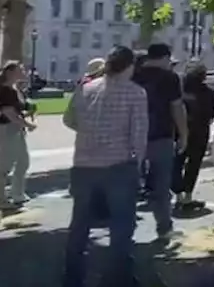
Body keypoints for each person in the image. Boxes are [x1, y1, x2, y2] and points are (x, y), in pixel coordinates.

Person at [62, 46, 149, 287]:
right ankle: (119, 277)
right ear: (130, 66)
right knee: (121, 225)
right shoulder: (135, 93)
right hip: (119, 165)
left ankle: (72, 276)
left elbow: (68, 119)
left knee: (80, 224)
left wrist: (90, 132)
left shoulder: (86, 88)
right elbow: (138, 135)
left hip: (83, 164)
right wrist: (139, 167)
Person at [131, 43, 188, 241]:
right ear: (165, 57)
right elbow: (177, 108)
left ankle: (124, 228)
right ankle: (164, 228)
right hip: (162, 135)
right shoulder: (170, 78)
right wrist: (184, 134)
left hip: (133, 136)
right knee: (161, 187)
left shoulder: (134, 75)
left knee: (129, 184)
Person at [174, 63, 214, 211]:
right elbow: (213, 115)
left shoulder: (179, 91)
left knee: (177, 162)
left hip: (180, 131)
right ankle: (188, 195)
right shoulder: (209, 93)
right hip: (200, 132)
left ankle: (178, 194)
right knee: (194, 164)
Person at [0, 61, 37, 209]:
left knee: (23, 161)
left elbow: (16, 111)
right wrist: (27, 124)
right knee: (5, 164)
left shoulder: (15, 90)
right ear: (10, 73)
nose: (23, 73)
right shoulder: (6, 90)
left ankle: (17, 193)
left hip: (16, 129)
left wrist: (26, 113)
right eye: (20, 70)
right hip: (7, 129)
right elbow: (8, 113)